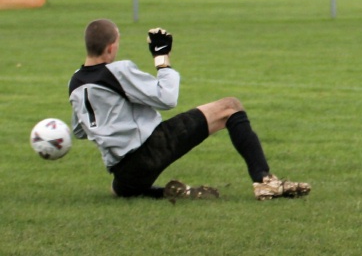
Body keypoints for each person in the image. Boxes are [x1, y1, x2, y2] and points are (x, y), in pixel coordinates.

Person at [69, 19, 311, 200]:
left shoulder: (75, 82)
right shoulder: (117, 71)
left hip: (122, 172)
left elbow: (80, 131)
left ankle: (166, 193)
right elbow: (167, 98)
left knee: (120, 190)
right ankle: (265, 180)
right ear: (111, 48)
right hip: (150, 150)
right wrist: (162, 58)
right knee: (230, 107)